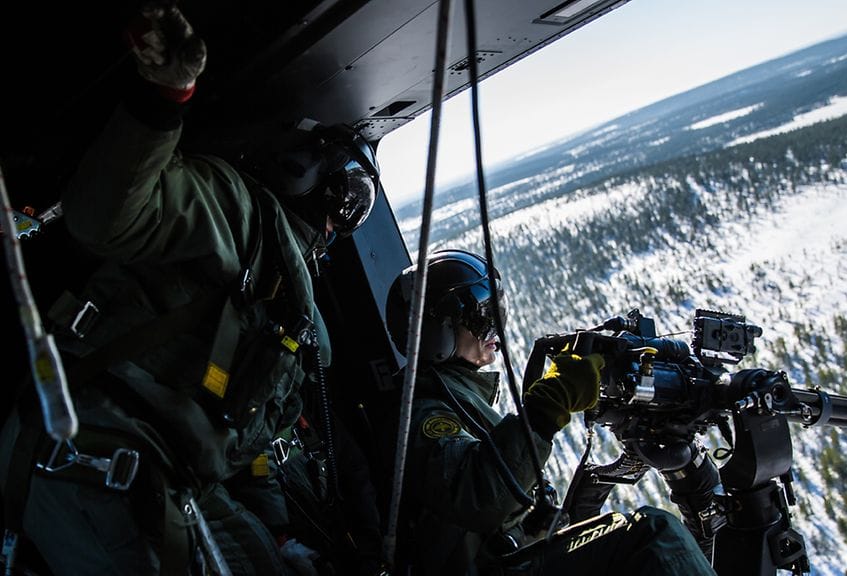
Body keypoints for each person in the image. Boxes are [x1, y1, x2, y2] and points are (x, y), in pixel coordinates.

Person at [0, 3, 380, 574]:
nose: (340, 223)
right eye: (345, 199)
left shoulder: (283, 286)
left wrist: (277, 533)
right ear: (306, 175)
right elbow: (101, 215)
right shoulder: (237, 209)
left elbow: (246, 440)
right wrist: (162, 100)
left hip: (166, 472)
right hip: (94, 450)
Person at [383, 249, 716, 575]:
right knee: (652, 536)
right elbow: (476, 496)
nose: (494, 328)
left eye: (497, 313)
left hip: (510, 556)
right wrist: (546, 408)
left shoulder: (458, 392)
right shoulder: (422, 409)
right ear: (435, 333)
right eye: (480, 318)